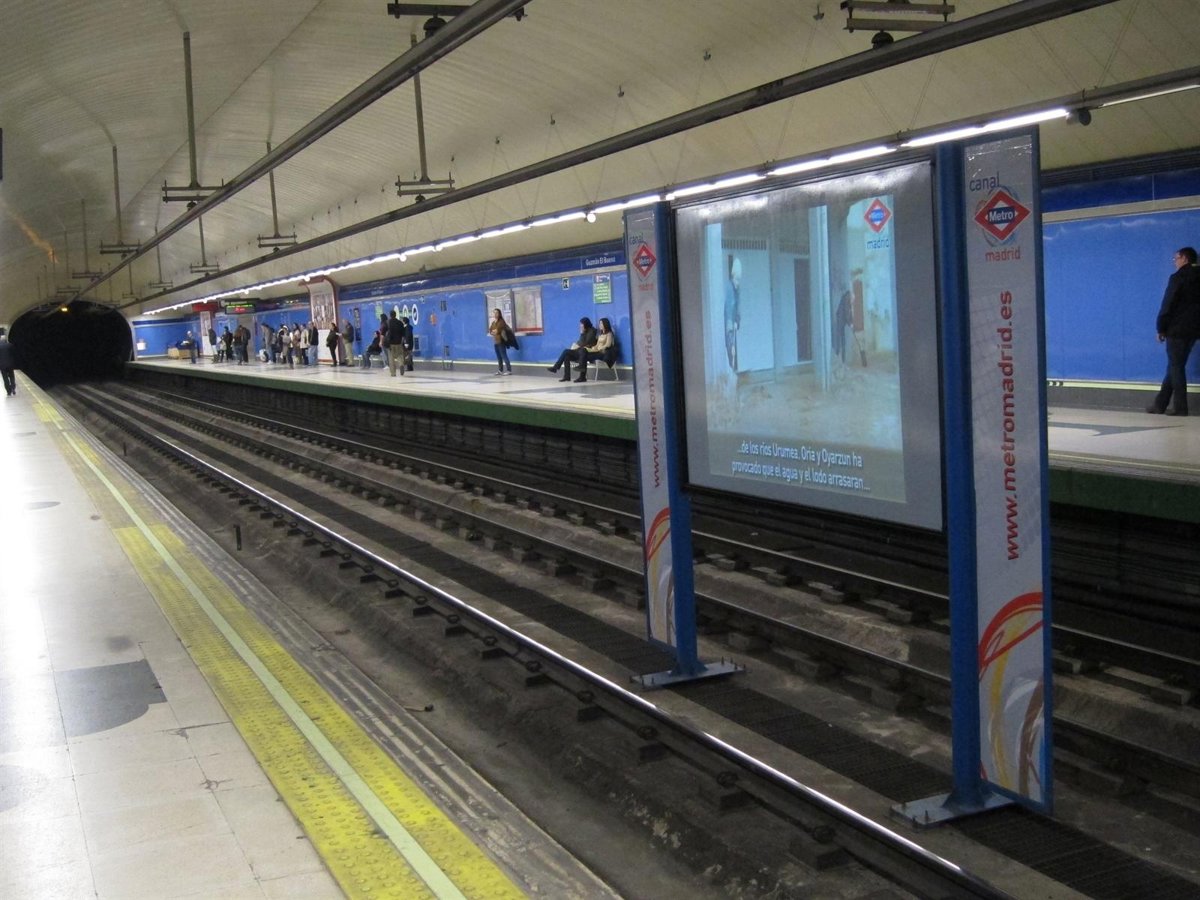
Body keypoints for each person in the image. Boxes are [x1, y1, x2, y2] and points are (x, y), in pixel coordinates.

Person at [1147, 246, 1200, 417]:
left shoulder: (1178, 277)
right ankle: (1160, 404)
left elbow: (1168, 303)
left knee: (1176, 367)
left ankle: (1180, 407)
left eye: (1176, 258)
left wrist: (1161, 327)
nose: (1174, 262)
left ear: (1184, 258)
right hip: (1194, 329)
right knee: (1175, 365)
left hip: (1177, 328)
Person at [546, 316, 596, 382]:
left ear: (585, 324)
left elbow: (585, 343)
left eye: (581, 324)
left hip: (586, 351)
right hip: (580, 350)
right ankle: (566, 376)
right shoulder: (585, 331)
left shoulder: (592, 331)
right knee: (566, 355)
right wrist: (577, 343)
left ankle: (556, 367)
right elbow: (580, 342)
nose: (580, 326)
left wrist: (582, 334)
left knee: (568, 351)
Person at [576, 316, 617, 381]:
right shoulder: (600, 334)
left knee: (584, 356)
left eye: (601, 323)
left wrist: (600, 348)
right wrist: (593, 348)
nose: (599, 325)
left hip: (603, 353)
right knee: (584, 353)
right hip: (597, 351)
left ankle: (582, 375)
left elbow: (608, 344)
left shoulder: (609, 334)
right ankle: (582, 376)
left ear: (605, 324)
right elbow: (597, 345)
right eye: (599, 323)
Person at [724, 256, 741, 371]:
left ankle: (732, 368)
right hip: (728, 324)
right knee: (730, 347)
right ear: (733, 276)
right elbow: (729, 307)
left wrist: (737, 320)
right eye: (737, 279)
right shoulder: (729, 288)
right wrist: (730, 323)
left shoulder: (737, 289)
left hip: (733, 322)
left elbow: (738, 306)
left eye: (739, 279)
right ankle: (730, 369)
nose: (738, 282)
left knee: (733, 348)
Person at [487, 308, 513, 375]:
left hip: (501, 341)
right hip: (495, 342)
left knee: (504, 356)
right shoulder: (493, 322)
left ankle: (509, 370)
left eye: (496, 313)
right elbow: (490, 330)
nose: (495, 314)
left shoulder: (501, 321)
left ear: (499, 314)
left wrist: (495, 331)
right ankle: (500, 370)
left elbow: (498, 330)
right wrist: (493, 331)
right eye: (494, 313)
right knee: (499, 357)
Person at [387, 310, 406, 376]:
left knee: (391, 358)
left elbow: (386, 333)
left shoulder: (388, 322)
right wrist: (401, 341)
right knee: (399, 355)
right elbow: (403, 334)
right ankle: (401, 364)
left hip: (391, 343)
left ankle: (393, 373)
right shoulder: (400, 323)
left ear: (390, 315)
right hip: (398, 342)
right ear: (395, 315)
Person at [0, 327, 17, 396]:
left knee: (5, 378)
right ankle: (13, 388)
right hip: (10, 364)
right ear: (5, 340)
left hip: (2, 365)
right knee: (11, 376)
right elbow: (14, 354)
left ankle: (8, 391)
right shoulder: (10, 345)